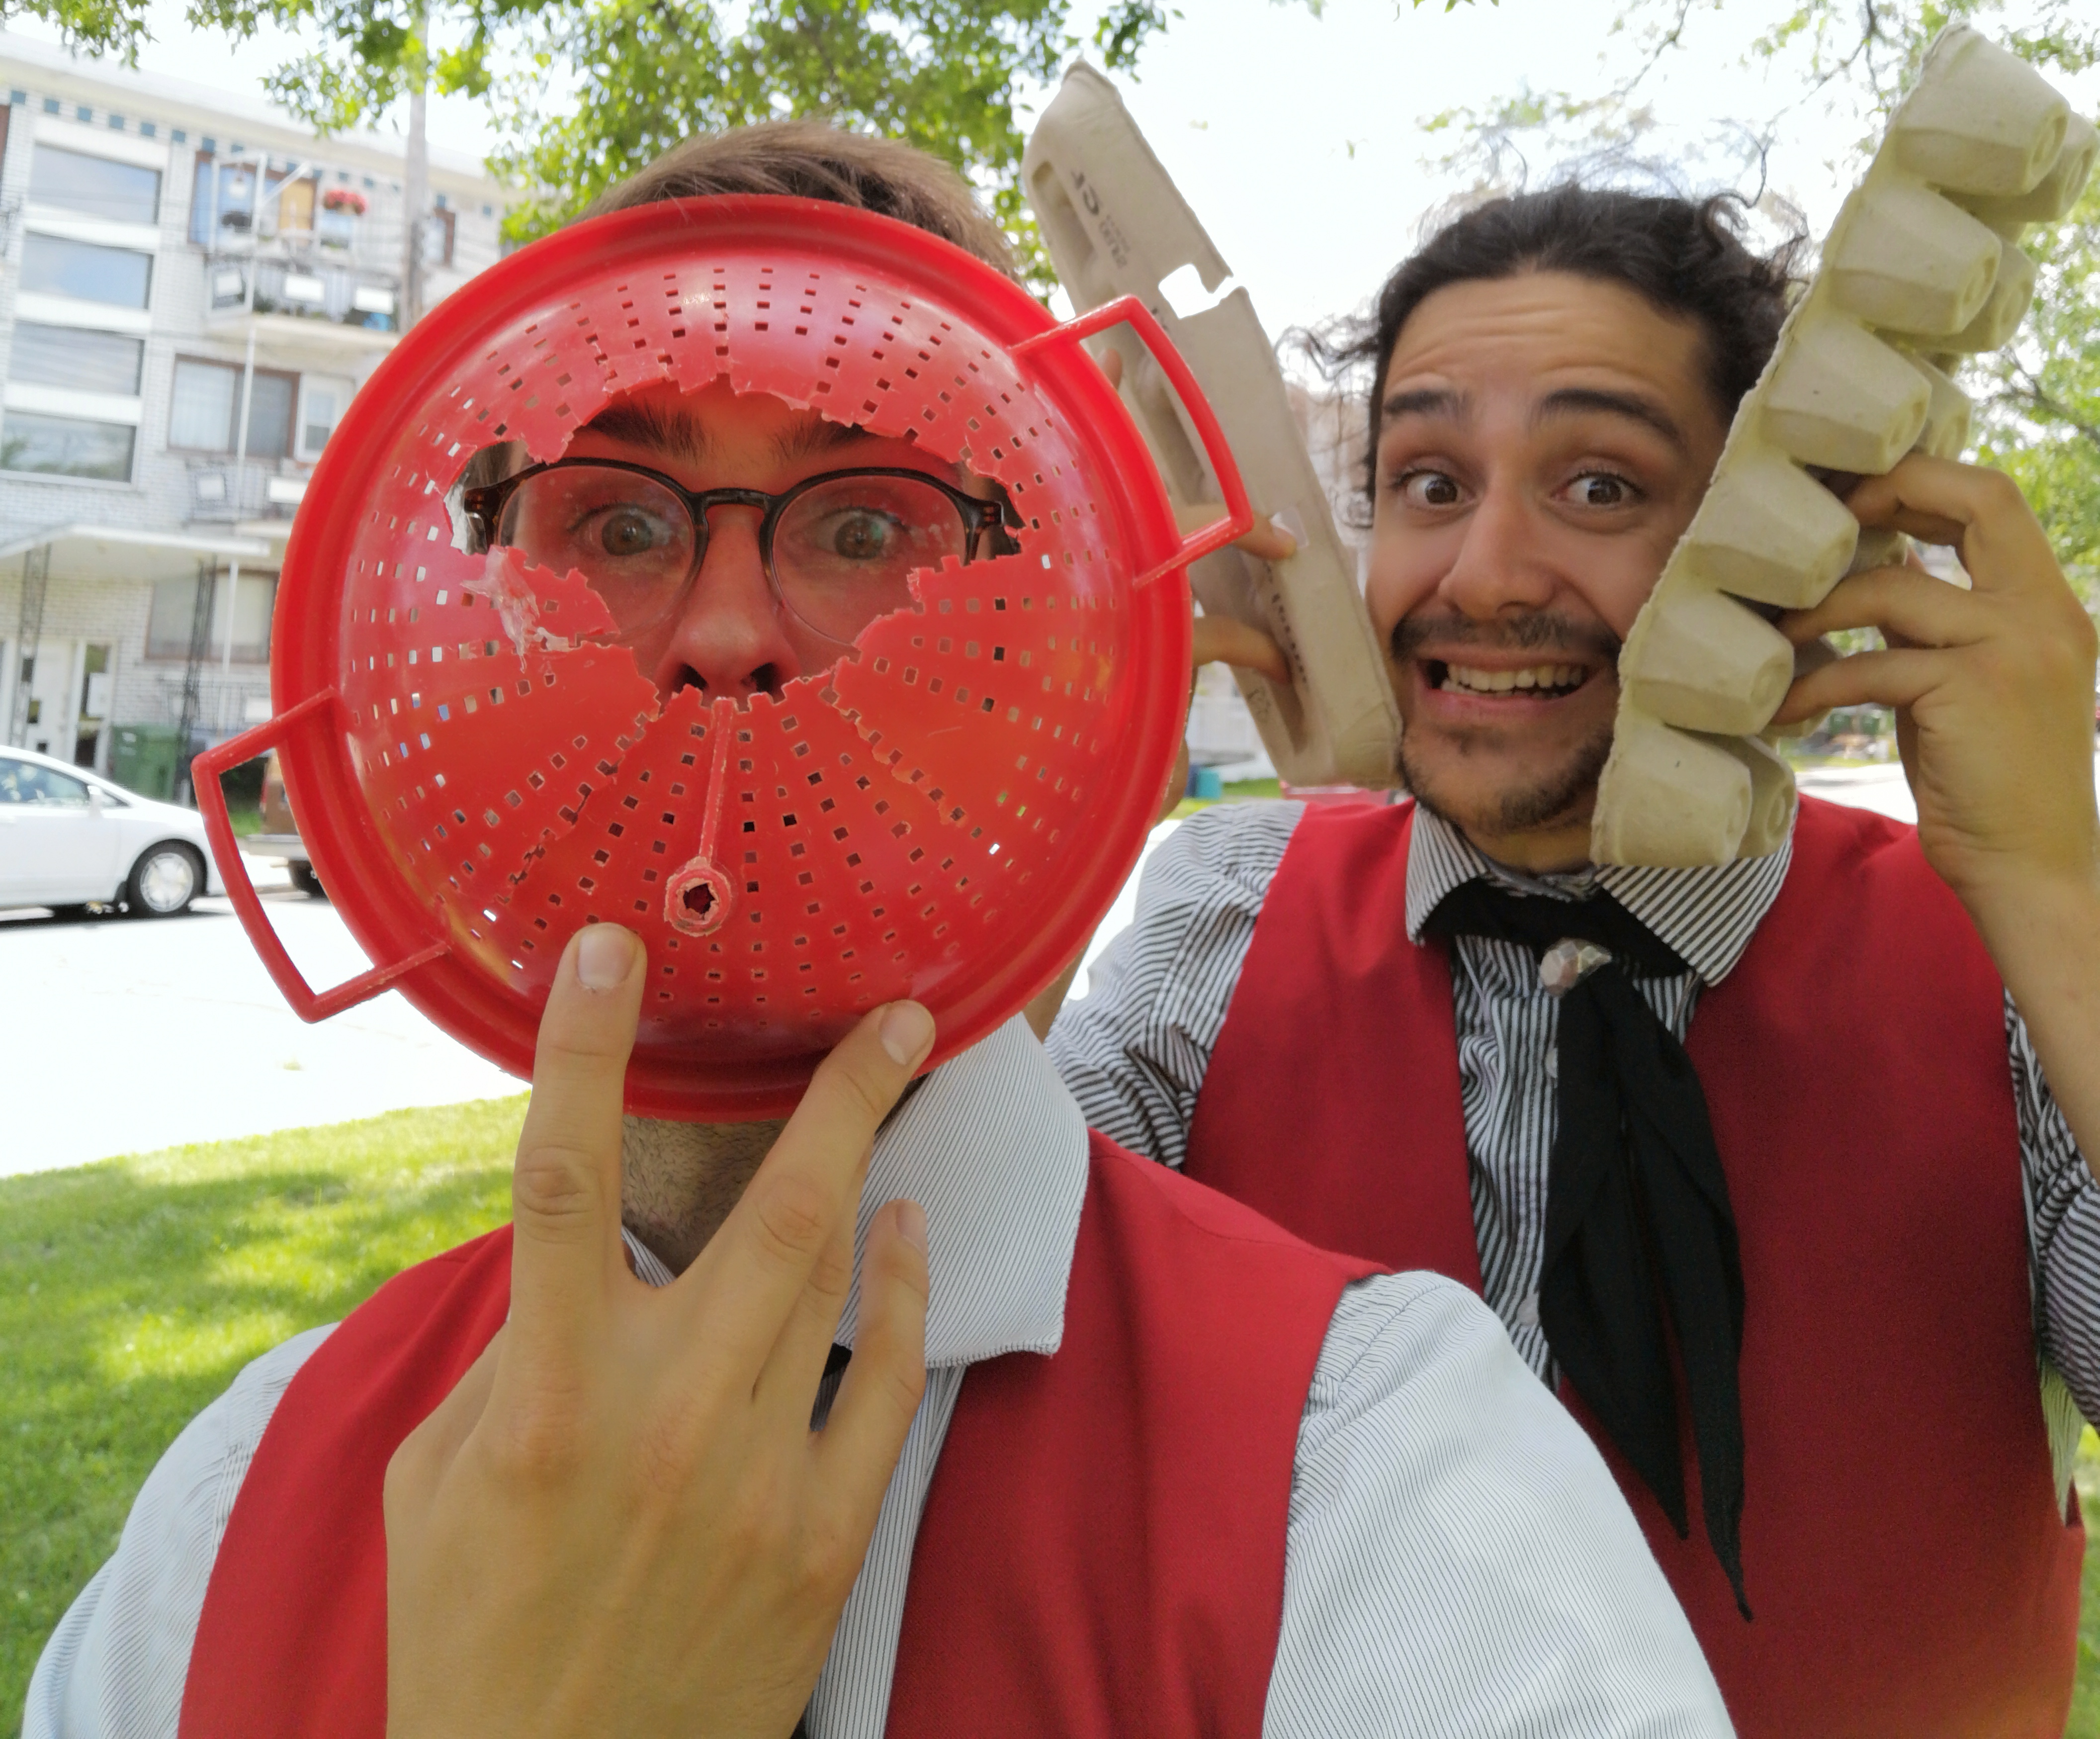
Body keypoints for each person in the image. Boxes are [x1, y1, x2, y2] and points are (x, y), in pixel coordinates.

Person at [27, 130, 1729, 1739]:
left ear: (1065, 625)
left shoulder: (1377, 1474)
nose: (722, 635)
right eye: (617, 523)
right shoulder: (239, 1491)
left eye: (862, 528)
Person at [1046, 182, 2100, 1739]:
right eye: (1425, 481)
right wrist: (1027, 837)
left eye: (1601, 487)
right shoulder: (1216, 918)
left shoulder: (2007, 959)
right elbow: (933, 1361)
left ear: (1785, 535)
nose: (1482, 574)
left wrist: (2047, 879)